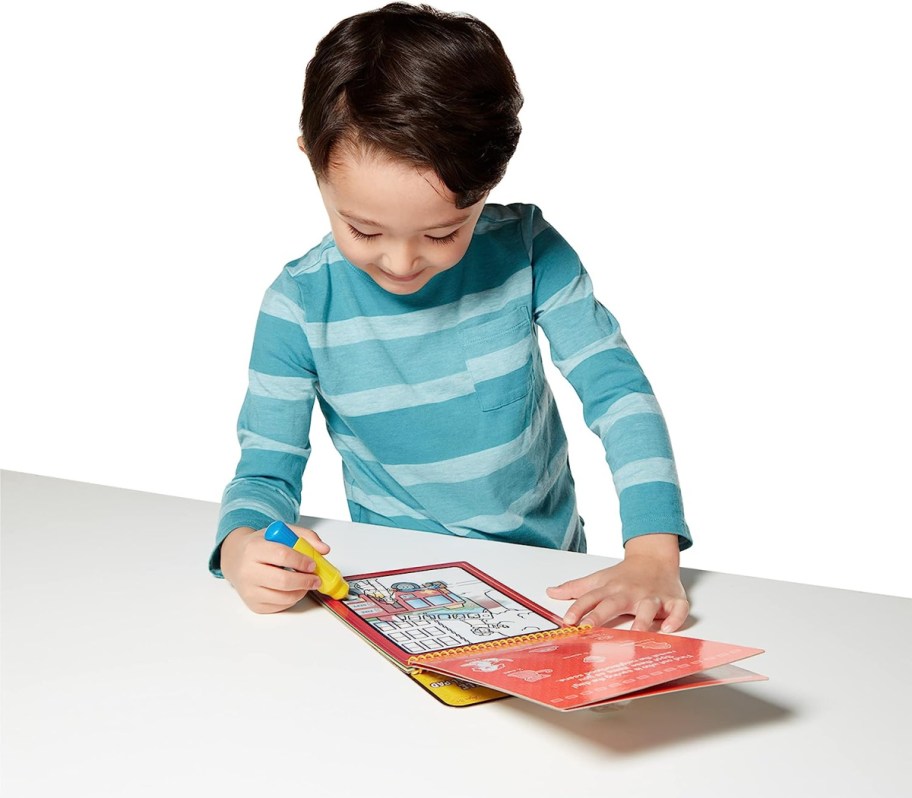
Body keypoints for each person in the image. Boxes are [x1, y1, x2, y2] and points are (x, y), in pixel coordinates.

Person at [211, 2, 692, 632]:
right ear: (312, 160)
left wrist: (652, 554)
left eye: (442, 234)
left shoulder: (528, 251)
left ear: (488, 184)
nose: (403, 262)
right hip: (398, 590)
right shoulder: (299, 305)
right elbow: (266, 469)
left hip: (547, 578)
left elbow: (617, 393)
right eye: (363, 228)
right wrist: (240, 546)